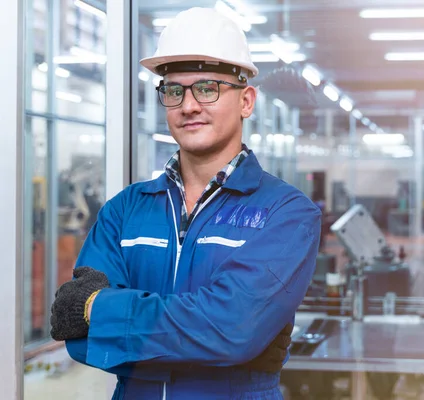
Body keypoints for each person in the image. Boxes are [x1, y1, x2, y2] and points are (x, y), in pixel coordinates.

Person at [49, 7, 321, 399]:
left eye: (207, 87)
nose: (189, 105)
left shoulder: (286, 214)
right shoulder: (124, 211)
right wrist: (224, 344)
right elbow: (79, 338)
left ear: (246, 101)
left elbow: (231, 330)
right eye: (174, 90)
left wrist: (100, 310)